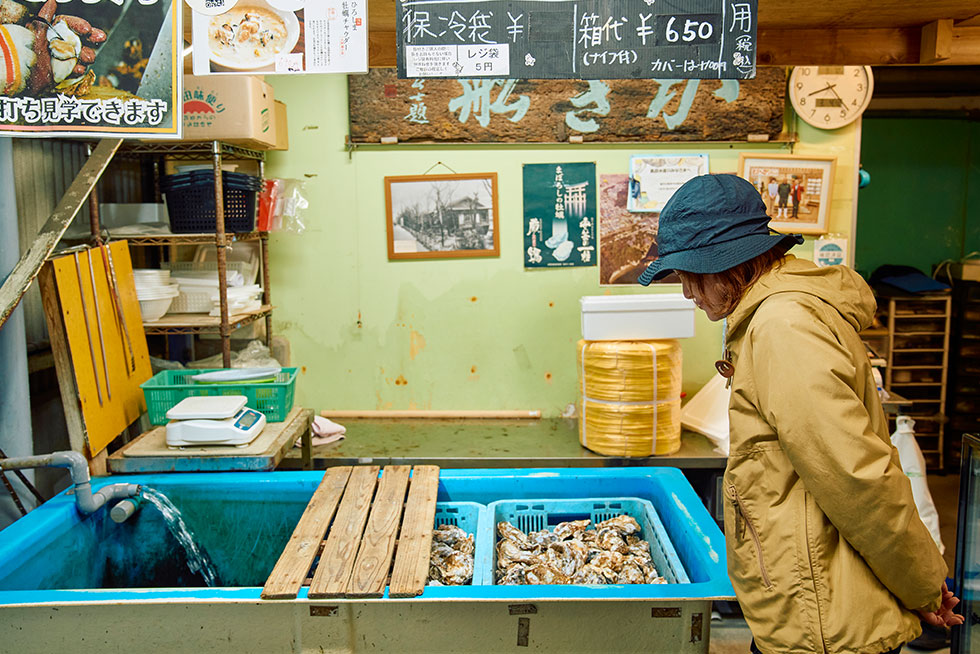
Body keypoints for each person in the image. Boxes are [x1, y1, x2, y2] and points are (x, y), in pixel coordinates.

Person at [638, 173, 963, 654]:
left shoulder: (783, 326)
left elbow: (857, 478)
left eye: (689, 276)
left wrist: (922, 584)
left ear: (729, 266)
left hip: (827, 621)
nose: (687, 293)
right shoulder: (773, 315)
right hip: (811, 602)